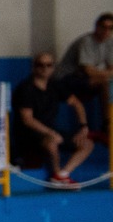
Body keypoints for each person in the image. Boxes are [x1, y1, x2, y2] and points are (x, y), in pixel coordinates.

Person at [11, 52, 95, 188]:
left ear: (53, 68)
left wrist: (83, 127)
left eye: (49, 65)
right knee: (52, 142)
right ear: (34, 67)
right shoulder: (25, 89)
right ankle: (56, 175)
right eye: (40, 65)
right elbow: (27, 120)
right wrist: (50, 132)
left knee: (87, 143)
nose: (45, 68)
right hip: (29, 134)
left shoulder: (55, 85)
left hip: (51, 130)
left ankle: (62, 175)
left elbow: (77, 104)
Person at [55, 12, 113, 131]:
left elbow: (110, 67)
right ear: (97, 26)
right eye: (104, 27)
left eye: (110, 28)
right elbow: (88, 71)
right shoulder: (86, 41)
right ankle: (107, 123)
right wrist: (107, 73)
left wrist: (106, 73)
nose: (106, 31)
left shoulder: (109, 42)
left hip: (83, 79)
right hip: (65, 79)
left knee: (107, 81)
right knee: (104, 82)